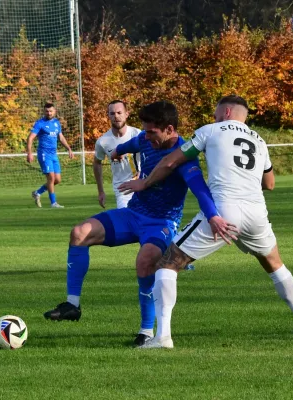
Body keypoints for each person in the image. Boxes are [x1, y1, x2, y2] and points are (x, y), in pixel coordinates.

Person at [119, 95, 293, 349]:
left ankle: (162, 337)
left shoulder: (210, 131)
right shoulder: (259, 141)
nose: (215, 118)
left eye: (217, 114)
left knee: (167, 264)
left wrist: (145, 182)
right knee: (275, 265)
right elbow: (269, 184)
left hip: (225, 211)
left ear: (226, 112)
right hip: (257, 213)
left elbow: (172, 160)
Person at [43, 101, 232, 347]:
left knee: (145, 261)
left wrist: (214, 216)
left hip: (161, 223)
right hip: (133, 215)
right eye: (145, 130)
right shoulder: (145, 139)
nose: (147, 136)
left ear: (170, 129)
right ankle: (72, 305)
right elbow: (131, 144)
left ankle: (145, 332)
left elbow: (200, 190)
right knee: (79, 233)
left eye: (152, 131)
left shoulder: (185, 156)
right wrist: (116, 152)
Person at [93, 100, 141, 209]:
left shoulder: (138, 134)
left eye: (119, 113)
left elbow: (151, 154)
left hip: (142, 184)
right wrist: (101, 191)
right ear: (108, 116)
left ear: (126, 114)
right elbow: (97, 163)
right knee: (126, 219)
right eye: (112, 113)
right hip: (122, 190)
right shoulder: (103, 141)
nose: (116, 116)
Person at [28, 103, 74, 208]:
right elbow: (30, 138)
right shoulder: (40, 123)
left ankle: (37, 193)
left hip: (53, 154)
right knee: (51, 178)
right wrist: (29, 153)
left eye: (51, 111)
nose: (49, 113)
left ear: (54, 111)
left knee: (57, 180)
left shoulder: (57, 123)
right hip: (44, 154)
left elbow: (61, 137)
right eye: (47, 111)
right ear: (44, 112)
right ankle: (53, 203)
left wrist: (69, 149)